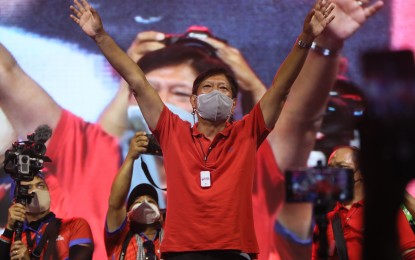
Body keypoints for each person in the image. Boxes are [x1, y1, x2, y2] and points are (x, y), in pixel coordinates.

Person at [70, 0, 334, 259]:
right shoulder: (173, 130)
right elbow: (137, 81)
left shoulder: (247, 133)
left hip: (234, 251)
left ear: (233, 105)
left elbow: (281, 89)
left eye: (223, 89)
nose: (215, 93)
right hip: (181, 252)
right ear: (194, 102)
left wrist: (305, 38)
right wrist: (101, 36)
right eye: (207, 88)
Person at [311, 146, 415, 259]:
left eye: (342, 167)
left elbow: (410, 254)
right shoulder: (325, 222)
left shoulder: (384, 212)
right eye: (330, 169)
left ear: (361, 172)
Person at [0, 174, 94, 260]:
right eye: (28, 188)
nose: (36, 191)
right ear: (16, 201)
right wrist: (9, 228)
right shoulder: (14, 239)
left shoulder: (75, 226)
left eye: (40, 185)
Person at [105, 132, 164, 259]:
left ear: (161, 216)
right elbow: (116, 204)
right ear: (127, 215)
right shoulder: (119, 238)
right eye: (137, 201)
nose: (145, 202)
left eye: (151, 201)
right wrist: (130, 157)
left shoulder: (172, 237)